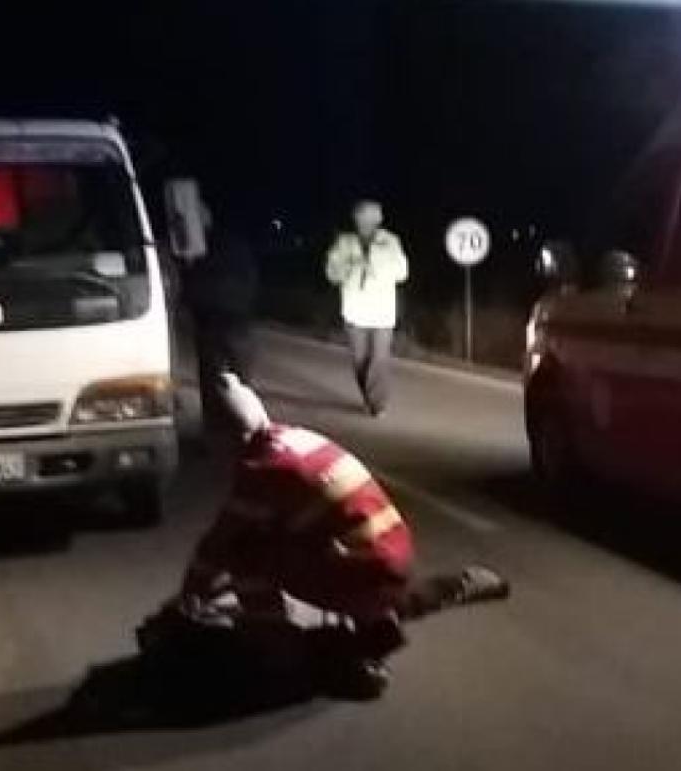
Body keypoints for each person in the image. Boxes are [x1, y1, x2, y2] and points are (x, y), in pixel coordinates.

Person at [158, 373, 509, 699]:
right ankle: (439, 593)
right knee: (290, 550)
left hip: (364, 569)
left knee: (245, 555)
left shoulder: (262, 469)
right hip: (390, 552)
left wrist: (189, 597)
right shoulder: (296, 439)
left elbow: (218, 545)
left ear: (228, 437)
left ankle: (283, 652)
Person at [325, 201, 409, 416]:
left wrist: (378, 264)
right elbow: (332, 273)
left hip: (382, 312)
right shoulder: (344, 242)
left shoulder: (390, 242)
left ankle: (377, 404)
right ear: (356, 219)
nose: (366, 220)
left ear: (379, 219)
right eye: (362, 216)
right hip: (355, 311)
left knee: (379, 359)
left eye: (372, 216)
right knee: (360, 360)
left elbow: (402, 273)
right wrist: (352, 266)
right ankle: (369, 395)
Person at [184, 199, 259, 436]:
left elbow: (193, 288)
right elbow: (250, 280)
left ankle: (218, 432)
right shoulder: (233, 243)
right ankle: (243, 430)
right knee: (239, 382)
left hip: (216, 323)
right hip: (238, 322)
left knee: (213, 383)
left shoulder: (196, 248)